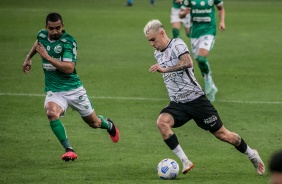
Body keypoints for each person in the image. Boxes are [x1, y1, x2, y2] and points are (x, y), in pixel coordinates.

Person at [143, 19, 265, 175]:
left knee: (223, 135)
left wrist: (165, 69)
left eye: (153, 40)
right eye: (149, 41)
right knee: (162, 123)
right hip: (178, 103)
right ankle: (185, 160)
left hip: (196, 100)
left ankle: (251, 154)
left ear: (162, 33)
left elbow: (188, 62)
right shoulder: (157, 53)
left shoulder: (177, 44)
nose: (152, 44)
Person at [22, 13, 120, 162]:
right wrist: (28, 58)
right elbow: (38, 44)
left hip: (74, 90)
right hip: (54, 90)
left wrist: (48, 58)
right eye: (51, 29)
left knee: (94, 123)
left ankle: (108, 124)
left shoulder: (68, 42)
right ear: (46, 27)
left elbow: (68, 68)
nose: (55, 32)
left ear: (62, 26)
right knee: (51, 114)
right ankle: (69, 149)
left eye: (58, 28)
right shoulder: (42, 35)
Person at [179, 0, 225, 102]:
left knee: (201, 58)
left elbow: (221, 8)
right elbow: (180, 14)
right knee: (199, 62)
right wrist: (184, 13)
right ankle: (212, 87)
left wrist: (222, 21)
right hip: (195, 33)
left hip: (209, 31)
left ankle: (207, 80)